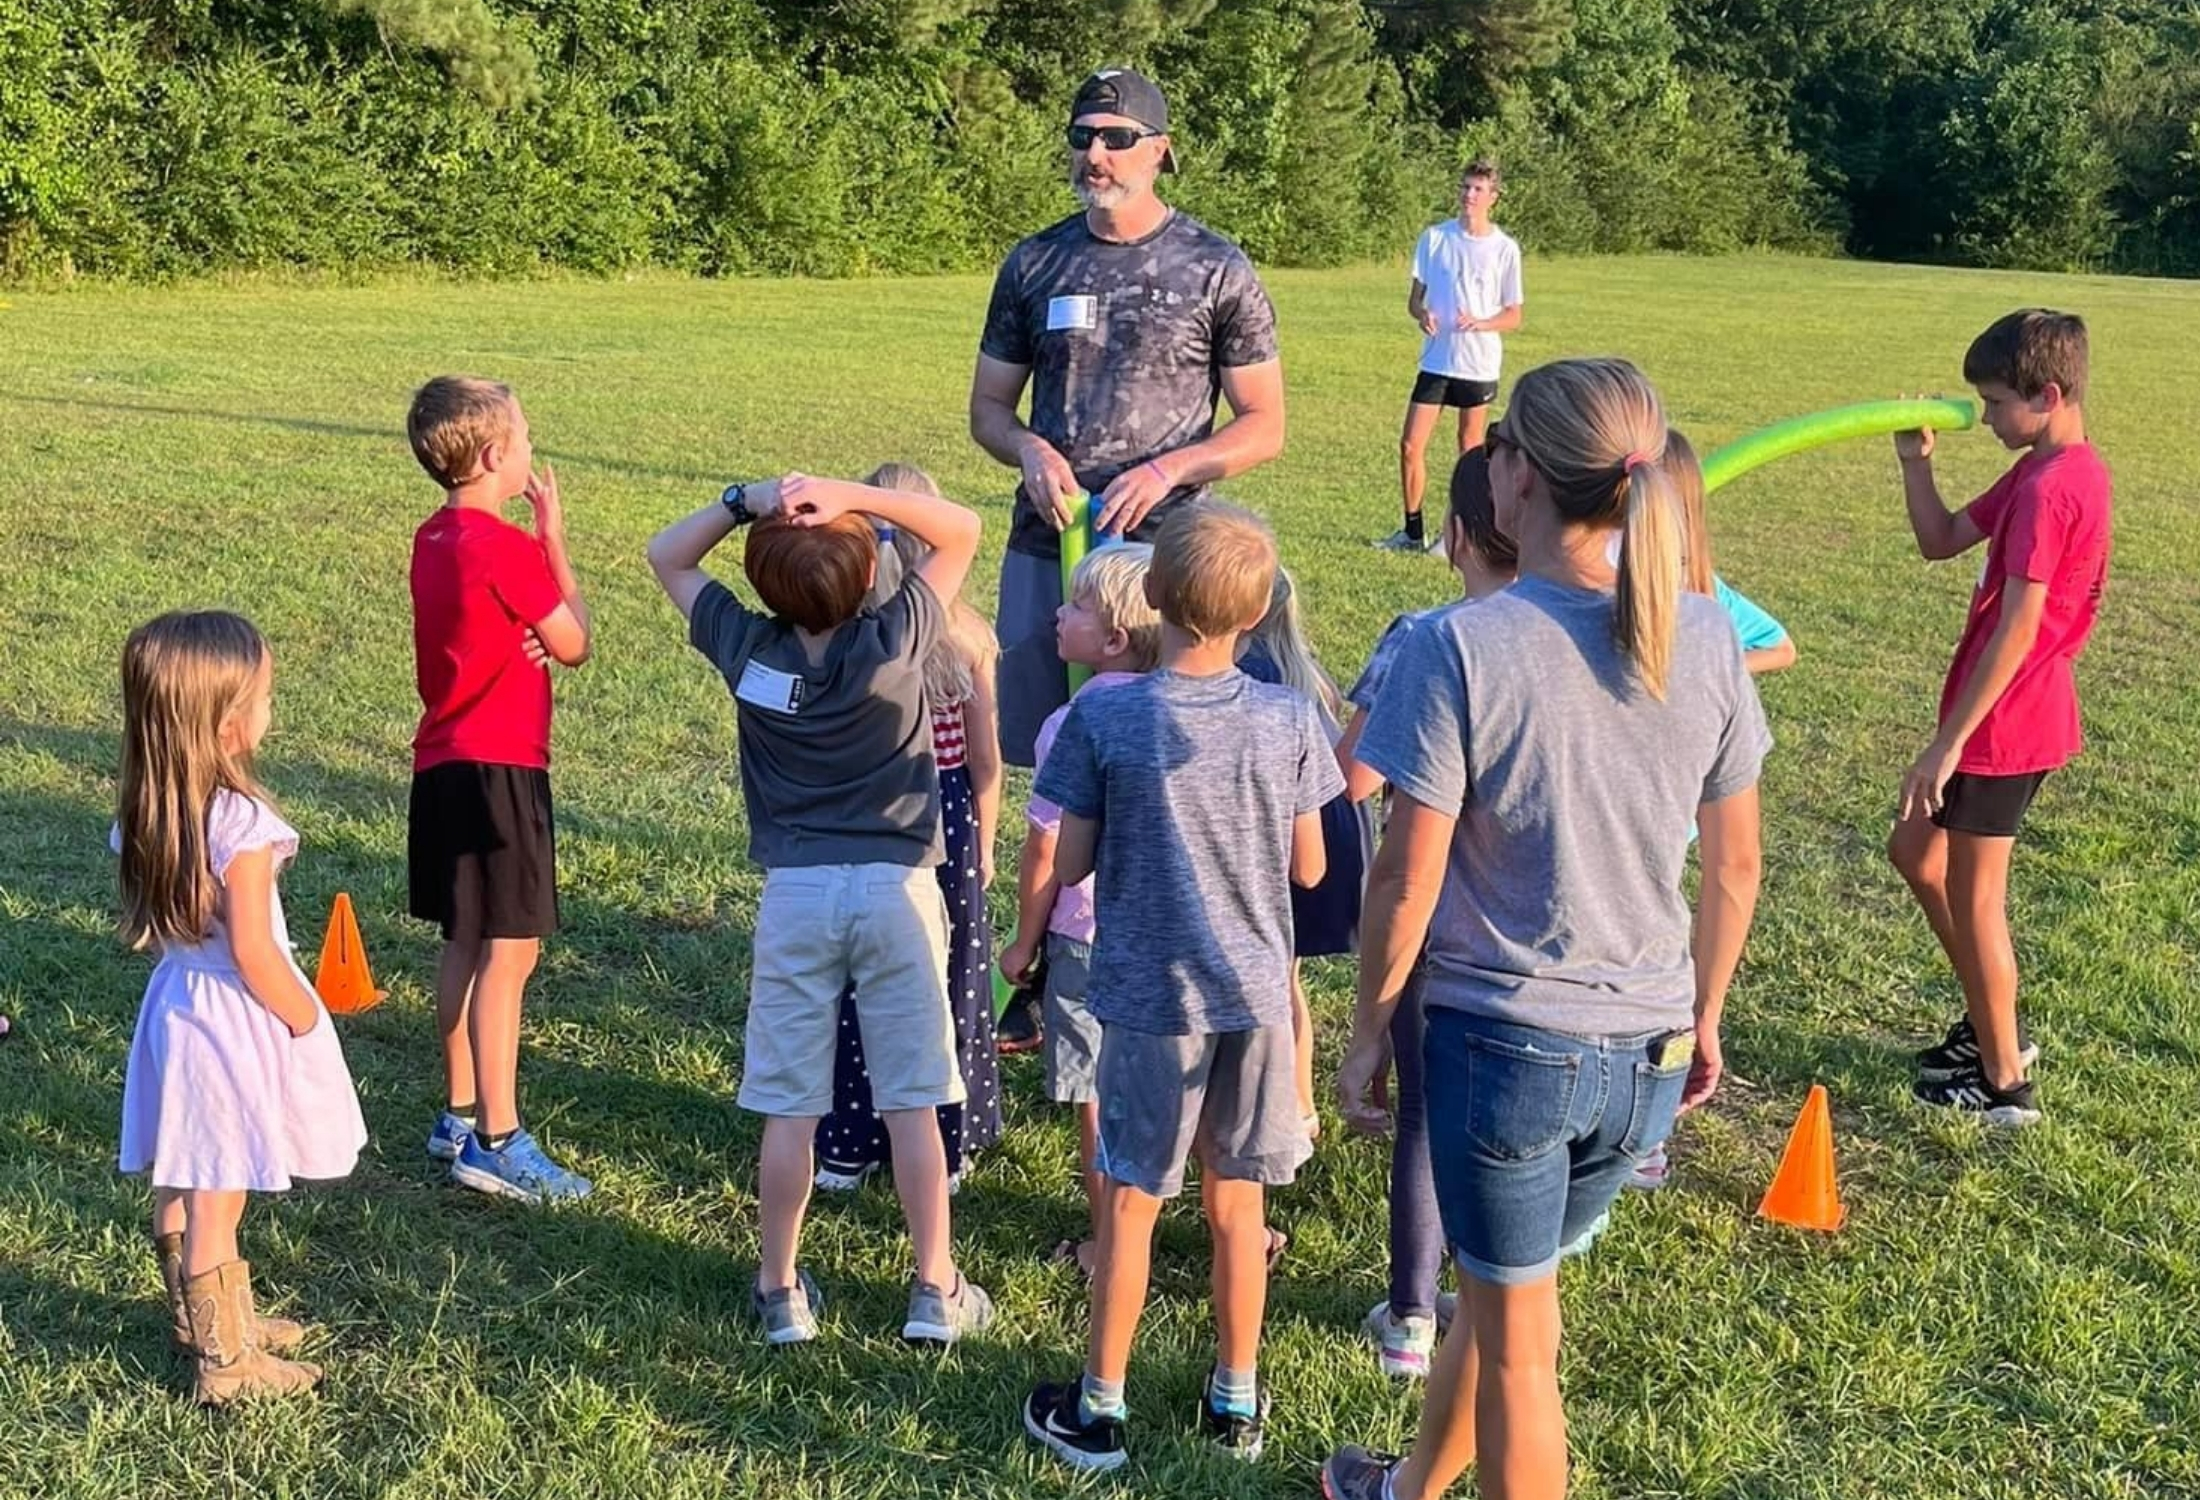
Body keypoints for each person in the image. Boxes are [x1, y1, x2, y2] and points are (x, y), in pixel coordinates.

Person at [1323, 358, 1768, 1500]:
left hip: (1507, 1051)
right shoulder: (1708, 635)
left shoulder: (1459, 644)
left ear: (1518, 476)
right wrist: (1706, 1014)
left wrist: (1370, 1030)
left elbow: (1405, 879)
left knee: (1523, 1353)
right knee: (1500, 1299)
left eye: (1501, 447)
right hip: (1647, 1054)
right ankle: (1409, 1487)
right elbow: (1735, 866)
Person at [1021, 502, 1341, 1471]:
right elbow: (1312, 868)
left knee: (1131, 1199)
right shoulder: (1288, 716)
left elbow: (1072, 860)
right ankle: (1235, 1400)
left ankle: (1099, 1407)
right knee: (1237, 1203)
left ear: (1153, 596)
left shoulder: (1103, 714)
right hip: (1255, 998)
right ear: (1259, 611)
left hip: (1149, 998)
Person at [647, 470, 995, 1347]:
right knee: (912, 1103)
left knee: (792, 1106)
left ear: (763, 583)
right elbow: (960, 528)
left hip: (797, 896)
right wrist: (853, 496)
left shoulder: (747, 649)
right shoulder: (895, 640)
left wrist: (745, 501)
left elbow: (667, 555)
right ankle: (934, 1288)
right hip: (898, 891)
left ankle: (779, 1290)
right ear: (869, 575)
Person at [970, 65, 1285, 767]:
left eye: (1116, 138)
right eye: (1082, 136)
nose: (1095, 154)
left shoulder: (1216, 267)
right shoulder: (1034, 262)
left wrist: (1167, 471)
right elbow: (988, 410)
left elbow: (1265, 423)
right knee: (1049, 753)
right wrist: (1028, 450)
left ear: (1159, 150)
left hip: (1164, 558)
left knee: (1164, 755)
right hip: (1049, 542)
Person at [114, 610, 366, 1404]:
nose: (270, 711)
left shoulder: (148, 810)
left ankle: (200, 1319)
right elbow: (256, 951)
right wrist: (304, 1017)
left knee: (180, 1173)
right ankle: (227, 1364)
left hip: (175, 1004)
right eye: (264, 698)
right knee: (217, 1198)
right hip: (229, 1021)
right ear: (227, 725)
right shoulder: (243, 825)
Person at [1886, 309, 2111, 1127]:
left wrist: (1945, 747)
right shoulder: (2042, 469)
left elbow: (2020, 626)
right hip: (2002, 715)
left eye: (1994, 403)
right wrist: (1916, 464)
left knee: (1977, 898)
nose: (1985, 418)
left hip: (2005, 725)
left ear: (2046, 396)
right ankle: (1991, 1021)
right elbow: (1940, 538)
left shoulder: (2053, 489)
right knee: (1915, 853)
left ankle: (2004, 1081)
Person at [1338, 448, 1518, 1380]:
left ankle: (1410, 1317)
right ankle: (1498, 1314)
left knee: (1420, 1113)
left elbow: (1355, 777)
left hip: (1429, 927)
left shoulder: (1422, 637)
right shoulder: (1587, 634)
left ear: (1453, 536)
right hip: (1530, 936)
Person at [405, 376, 594, 1204]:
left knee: (465, 940)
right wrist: (553, 542)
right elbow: (575, 642)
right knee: (511, 954)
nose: (530, 451)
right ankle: (498, 1140)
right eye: (523, 439)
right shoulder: (507, 548)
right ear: (492, 456)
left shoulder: (432, 537)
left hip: (442, 766)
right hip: (501, 772)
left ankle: (456, 1116)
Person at [816, 465, 1005, 1191]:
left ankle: (847, 1143)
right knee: (948, 981)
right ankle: (945, 1145)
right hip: (949, 823)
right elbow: (984, 762)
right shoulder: (967, 636)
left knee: (857, 979)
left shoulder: (848, 636)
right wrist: (984, 845)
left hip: (871, 820)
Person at [1626, 426, 1796, 1192]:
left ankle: (1644, 1135)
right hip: (1640, 805)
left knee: (1649, 949)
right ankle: (1635, 1130)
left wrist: (1715, 665)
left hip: (1669, 806)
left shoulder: (1706, 602)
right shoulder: (1605, 588)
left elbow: (1780, 645)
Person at [999, 542, 1163, 1278]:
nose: (1058, 615)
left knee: (1095, 1097)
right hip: (1166, 936)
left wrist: (1022, 942)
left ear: (1115, 638)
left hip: (1086, 937)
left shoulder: (1069, 724)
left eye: (1076, 606)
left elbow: (1045, 849)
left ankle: (1108, 1247)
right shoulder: (1187, 711)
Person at [1238, 568, 1368, 1138]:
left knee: (1272, 982)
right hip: (1332, 831)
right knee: (1286, 980)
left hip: (1293, 832)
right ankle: (1301, 1107)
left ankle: (1275, 1108)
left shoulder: (1247, 675)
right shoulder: (1303, 670)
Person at [1375, 161, 1523, 554]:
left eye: (1478, 189)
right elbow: (1414, 300)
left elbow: (1514, 315)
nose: (1468, 195)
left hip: (1477, 364)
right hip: (1436, 361)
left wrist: (1482, 322)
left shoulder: (1504, 249)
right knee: (1410, 445)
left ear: (1493, 198)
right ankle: (1412, 533)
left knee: (1469, 449)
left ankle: (1460, 534)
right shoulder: (1435, 238)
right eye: (1465, 187)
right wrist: (1421, 315)